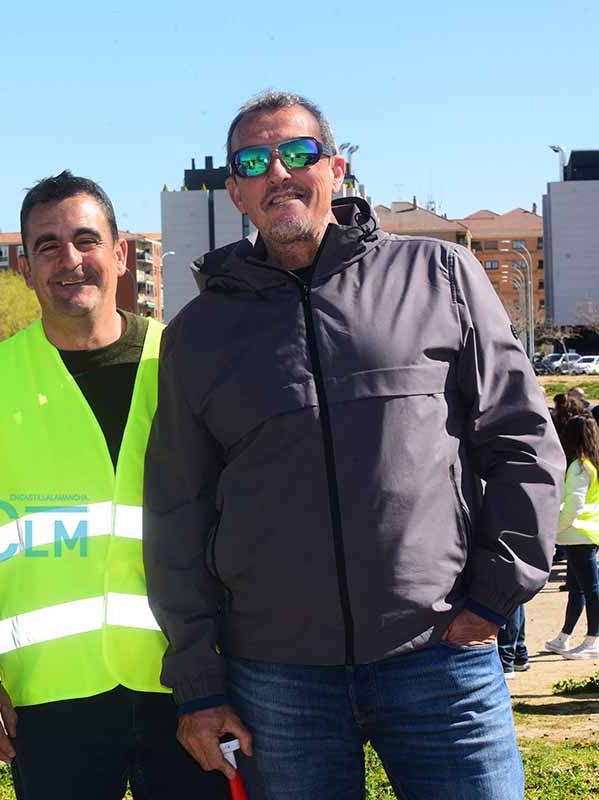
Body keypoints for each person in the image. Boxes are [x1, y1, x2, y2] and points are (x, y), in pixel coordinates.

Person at [144, 91, 563, 799]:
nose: (279, 172)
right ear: (236, 191)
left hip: (439, 656)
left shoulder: (440, 276)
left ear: (335, 169)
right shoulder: (198, 333)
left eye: (297, 153)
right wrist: (197, 681)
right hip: (278, 677)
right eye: (254, 162)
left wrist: (493, 598)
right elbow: (175, 512)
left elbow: (521, 438)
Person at [0, 172, 229, 800]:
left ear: (120, 254)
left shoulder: (185, 362)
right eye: (48, 246)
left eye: (86, 240)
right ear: (25, 268)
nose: (70, 260)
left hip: (189, 686)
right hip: (49, 697)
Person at [545, 413, 599, 659]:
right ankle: (564, 637)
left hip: (578, 533)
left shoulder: (578, 466)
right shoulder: (591, 464)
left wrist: (555, 529)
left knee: (589, 590)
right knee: (578, 589)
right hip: (586, 533)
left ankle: (593, 640)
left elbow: (574, 505)